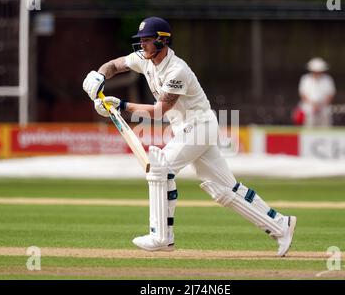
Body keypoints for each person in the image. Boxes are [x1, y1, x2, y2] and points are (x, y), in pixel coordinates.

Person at [82, 17, 296, 256]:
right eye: (140, 40)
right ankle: (281, 225)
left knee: (159, 168)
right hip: (190, 128)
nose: (142, 45)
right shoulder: (145, 59)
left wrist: (121, 105)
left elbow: (160, 111)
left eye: (147, 41)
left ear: (162, 41)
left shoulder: (177, 70)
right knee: (225, 189)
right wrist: (99, 75)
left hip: (199, 125)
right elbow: (115, 65)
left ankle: (161, 235)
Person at [297, 57, 336, 127]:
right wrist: (313, 105)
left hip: (324, 109)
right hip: (309, 110)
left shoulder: (328, 79)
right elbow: (303, 95)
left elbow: (330, 95)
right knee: (309, 128)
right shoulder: (305, 79)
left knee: (325, 129)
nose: (317, 73)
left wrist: (320, 105)